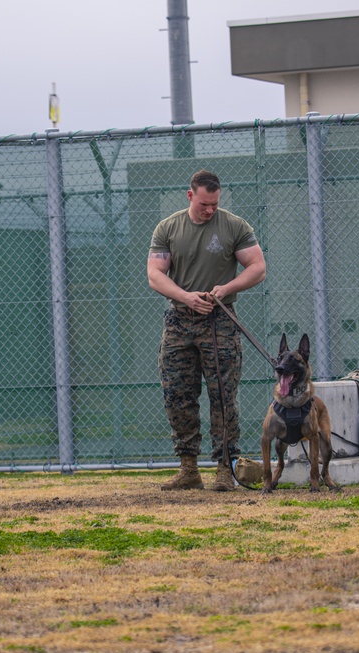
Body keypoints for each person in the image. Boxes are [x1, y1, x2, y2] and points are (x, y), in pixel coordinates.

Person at [147, 170, 267, 492]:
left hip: (220, 321)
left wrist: (226, 288)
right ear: (190, 196)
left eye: (214, 204)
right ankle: (188, 469)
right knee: (178, 396)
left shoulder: (234, 226)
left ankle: (224, 470)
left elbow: (257, 267)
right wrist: (186, 296)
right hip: (179, 322)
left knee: (223, 396)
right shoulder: (168, 228)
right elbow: (155, 274)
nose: (209, 210)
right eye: (203, 204)